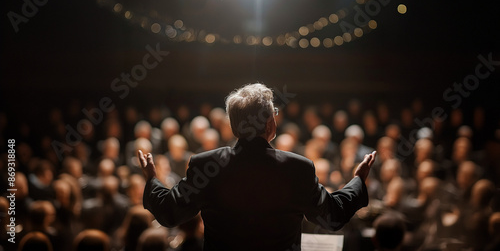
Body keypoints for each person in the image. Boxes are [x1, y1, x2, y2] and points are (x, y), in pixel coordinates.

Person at [139, 83, 376, 250]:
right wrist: (357, 181)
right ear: (271, 124)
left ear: (233, 127)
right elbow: (332, 216)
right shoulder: (298, 168)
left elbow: (169, 213)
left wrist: (151, 178)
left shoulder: (206, 164)